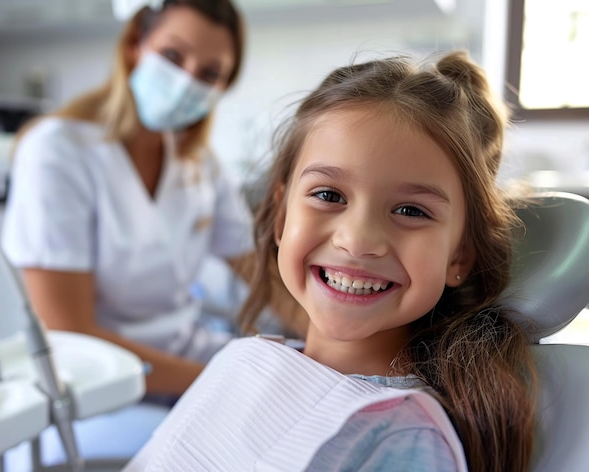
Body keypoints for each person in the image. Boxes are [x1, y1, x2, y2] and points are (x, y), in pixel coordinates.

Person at [125, 50, 537, 472]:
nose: (357, 241)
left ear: (460, 255)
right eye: (329, 196)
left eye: (412, 211)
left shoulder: (404, 439)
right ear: (283, 218)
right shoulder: (241, 364)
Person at [0, 0, 307, 401]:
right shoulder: (57, 150)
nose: (185, 81)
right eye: (172, 56)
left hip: (190, 361)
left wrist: (326, 339)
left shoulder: (196, 163)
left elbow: (260, 274)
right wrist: (220, 382)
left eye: (209, 74)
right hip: (105, 386)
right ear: (134, 46)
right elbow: (70, 333)